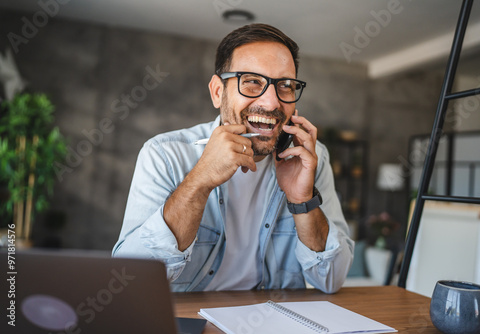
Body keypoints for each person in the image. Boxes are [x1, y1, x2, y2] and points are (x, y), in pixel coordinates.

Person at [112, 23, 354, 293]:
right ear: (218, 92)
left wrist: (303, 200)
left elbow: (332, 279)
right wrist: (200, 180)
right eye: (252, 82)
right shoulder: (164, 154)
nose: (272, 103)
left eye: (285, 86)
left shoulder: (311, 157)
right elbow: (131, 280)